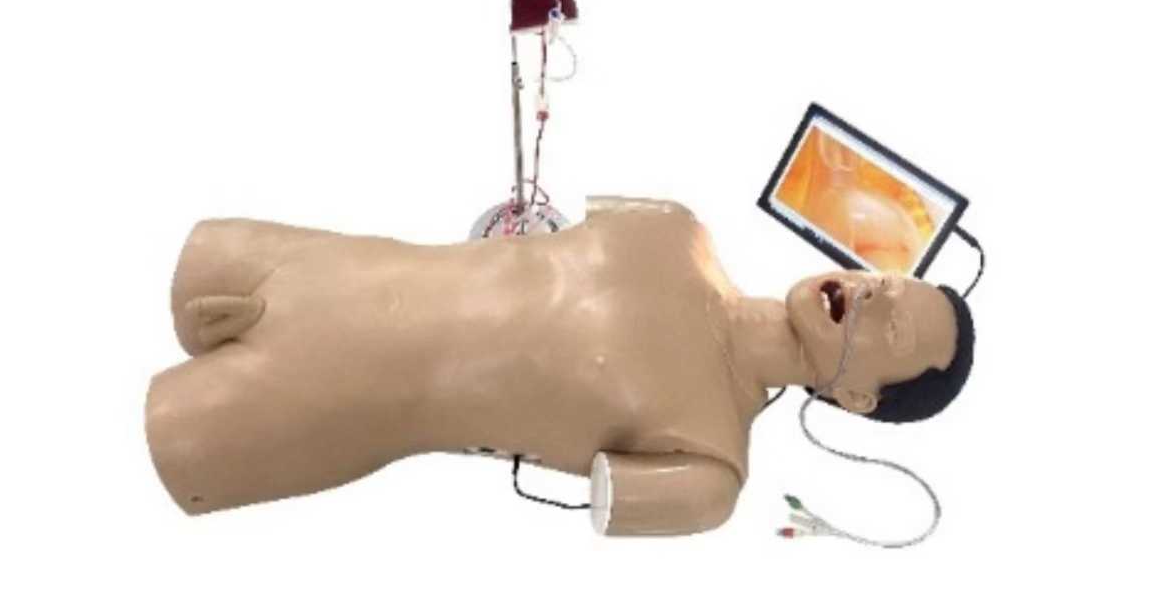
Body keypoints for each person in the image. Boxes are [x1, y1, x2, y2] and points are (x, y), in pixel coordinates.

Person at [145, 196, 973, 536]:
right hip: (307, 264)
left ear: (856, 398)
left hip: (311, 407)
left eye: (894, 326)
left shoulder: (708, 470)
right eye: (889, 282)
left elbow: (607, 505)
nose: (873, 293)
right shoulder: (674, 225)